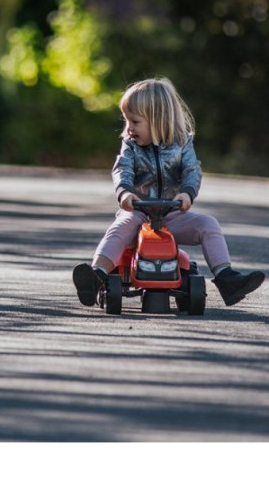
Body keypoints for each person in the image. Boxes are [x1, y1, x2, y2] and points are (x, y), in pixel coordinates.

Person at [73, 77, 265, 308]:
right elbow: (122, 168)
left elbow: (192, 170)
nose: (128, 128)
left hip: (172, 215)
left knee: (209, 224)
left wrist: (187, 193)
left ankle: (226, 277)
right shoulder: (130, 145)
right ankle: (97, 275)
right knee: (120, 227)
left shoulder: (183, 143)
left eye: (134, 121)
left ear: (157, 120)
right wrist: (125, 193)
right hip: (139, 214)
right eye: (126, 121)